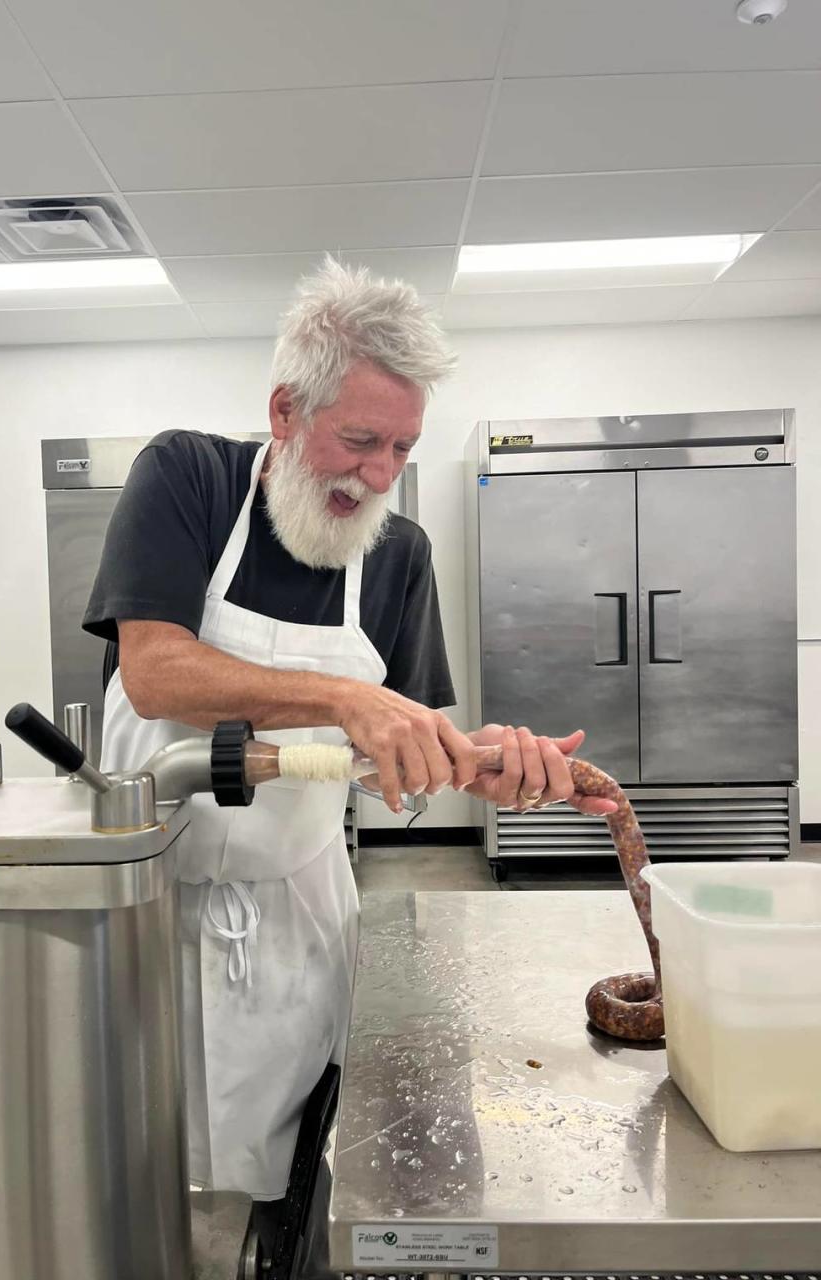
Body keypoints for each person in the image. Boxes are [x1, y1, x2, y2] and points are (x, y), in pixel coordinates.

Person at [82, 257, 615, 1244]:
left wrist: (493, 758)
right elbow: (156, 672)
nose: (378, 474)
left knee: (294, 1181)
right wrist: (342, 695)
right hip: (143, 916)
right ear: (285, 411)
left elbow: (406, 753)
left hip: (298, 911)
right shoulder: (187, 478)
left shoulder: (399, 553)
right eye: (360, 438)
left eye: (402, 447)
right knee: (145, 1181)